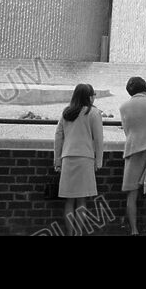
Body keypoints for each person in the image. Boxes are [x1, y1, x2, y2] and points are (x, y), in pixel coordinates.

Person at [53, 83, 105, 235]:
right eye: (93, 94)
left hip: (68, 158)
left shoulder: (66, 112)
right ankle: (78, 233)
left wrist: (57, 160)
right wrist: (99, 161)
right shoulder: (94, 113)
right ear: (89, 96)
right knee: (81, 201)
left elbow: (58, 136)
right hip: (85, 158)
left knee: (69, 200)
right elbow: (99, 139)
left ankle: (69, 234)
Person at [119, 76, 146, 236]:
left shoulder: (123, 107)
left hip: (131, 150)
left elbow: (126, 130)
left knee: (132, 193)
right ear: (145, 87)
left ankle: (134, 230)